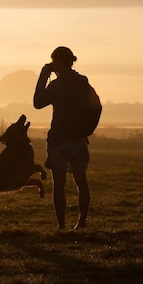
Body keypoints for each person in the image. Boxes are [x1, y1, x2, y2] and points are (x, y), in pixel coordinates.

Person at [33, 46, 90, 232]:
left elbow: (37, 103)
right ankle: (81, 223)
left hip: (60, 139)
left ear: (57, 62)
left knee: (59, 184)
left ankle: (62, 225)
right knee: (81, 181)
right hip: (80, 138)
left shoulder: (57, 85)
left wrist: (43, 75)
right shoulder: (82, 81)